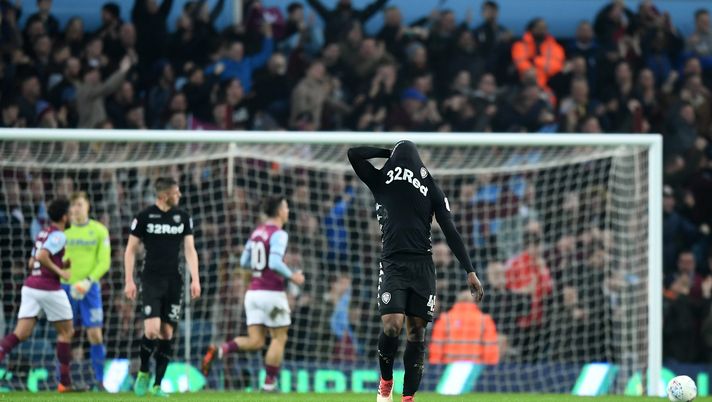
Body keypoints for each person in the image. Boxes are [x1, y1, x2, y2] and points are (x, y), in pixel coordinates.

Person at [347, 140, 484, 402]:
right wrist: (390, 152)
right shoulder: (381, 181)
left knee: (416, 332)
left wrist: (469, 269)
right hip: (393, 264)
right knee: (391, 325)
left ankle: (408, 397)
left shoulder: (431, 188)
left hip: (422, 265)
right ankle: (386, 382)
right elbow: (354, 154)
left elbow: (450, 229)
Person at [202, 196, 305, 392]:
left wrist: (259, 270)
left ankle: (220, 350)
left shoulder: (257, 232)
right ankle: (269, 385)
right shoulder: (279, 234)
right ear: (278, 211)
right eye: (286, 207)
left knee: (256, 341)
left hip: (253, 294)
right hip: (271, 294)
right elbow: (274, 263)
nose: (288, 210)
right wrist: (292, 276)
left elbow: (243, 262)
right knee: (279, 338)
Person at [124, 177, 201, 397]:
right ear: (164, 195)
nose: (180, 196)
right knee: (151, 329)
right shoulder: (144, 217)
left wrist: (195, 279)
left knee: (167, 333)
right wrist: (129, 280)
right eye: (176, 192)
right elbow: (130, 250)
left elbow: (189, 249)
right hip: (151, 279)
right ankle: (143, 371)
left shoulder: (183, 217)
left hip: (174, 281)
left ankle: (158, 385)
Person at [0, 198, 75, 392]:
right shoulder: (59, 235)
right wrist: (61, 272)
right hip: (48, 288)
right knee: (66, 332)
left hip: (31, 287)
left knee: (20, 333)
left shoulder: (43, 233)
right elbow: (42, 257)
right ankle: (64, 383)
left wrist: (59, 264)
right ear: (65, 216)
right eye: (71, 213)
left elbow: (32, 262)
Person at [61, 192, 111, 390]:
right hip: (66, 288)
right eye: (73, 205)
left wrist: (89, 281)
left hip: (90, 288)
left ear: (88, 205)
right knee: (65, 334)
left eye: (80, 204)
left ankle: (100, 381)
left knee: (95, 335)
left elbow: (104, 261)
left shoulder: (99, 230)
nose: (76, 209)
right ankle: (63, 381)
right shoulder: (64, 231)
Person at [428, 289, 499, 365]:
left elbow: (436, 349)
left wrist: (435, 368)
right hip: (475, 371)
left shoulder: (445, 319)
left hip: (449, 369)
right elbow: (490, 350)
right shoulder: (485, 320)